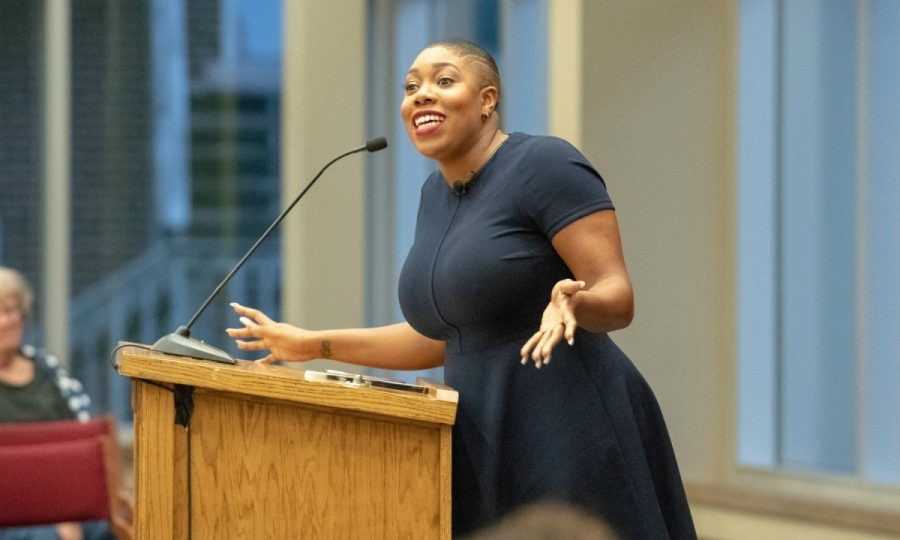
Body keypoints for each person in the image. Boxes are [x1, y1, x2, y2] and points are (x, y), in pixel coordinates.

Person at [227, 40, 696, 539]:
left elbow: (617, 296)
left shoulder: (545, 164)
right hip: (479, 436)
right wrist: (314, 344)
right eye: (411, 87)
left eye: (444, 81)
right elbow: (446, 337)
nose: (421, 95)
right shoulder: (435, 196)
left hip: (568, 425)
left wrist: (573, 301)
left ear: (487, 100)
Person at [0, 266, 109, 540]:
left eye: (11, 310)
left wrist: (67, 510)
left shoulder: (49, 369)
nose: (5, 321)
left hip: (69, 502)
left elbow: (86, 438)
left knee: (121, 527)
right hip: (12, 511)